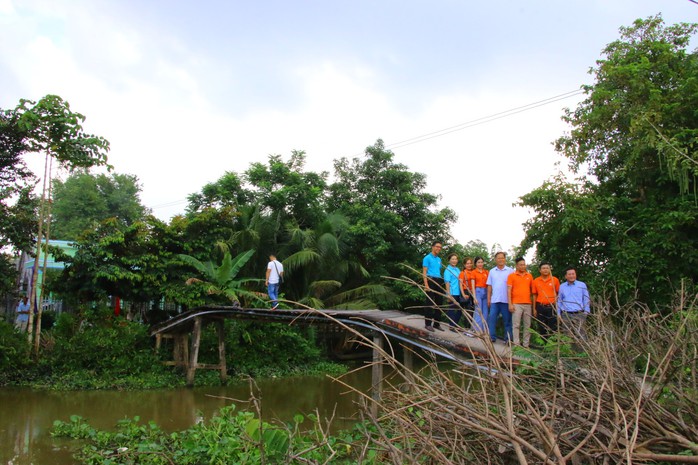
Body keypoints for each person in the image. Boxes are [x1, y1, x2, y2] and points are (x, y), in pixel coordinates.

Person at [557, 267, 590, 346]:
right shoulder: (562, 286)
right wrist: (558, 313)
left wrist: (586, 312)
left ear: (575, 275)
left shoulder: (582, 285)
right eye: (569, 274)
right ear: (566, 276)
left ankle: (581, 354)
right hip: (566, 314)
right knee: (566, 335)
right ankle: (568, 354)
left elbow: (586, 299)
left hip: (579, 313)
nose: (571, 276)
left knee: (581, 334)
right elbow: (559, 300)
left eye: (573, 274)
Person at [486, 252, 514, 343]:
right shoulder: (492, 271)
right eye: (498, 258)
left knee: (507, 321)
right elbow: (489, 286)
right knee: (492, 319)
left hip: (506, 301)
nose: (500, 260)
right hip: (495, 300)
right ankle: (492, 337)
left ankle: (507, 339)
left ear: (505, 259)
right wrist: (489, 298)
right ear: (495, 260)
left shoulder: (510, 271)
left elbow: (514, 286)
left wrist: (512, 301)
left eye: (502, 258)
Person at [507, 257, 534, 347]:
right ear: (517, 266)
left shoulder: (529, 276)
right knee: (516, 325)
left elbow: (533, 291)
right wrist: (510, 304)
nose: (523, 266)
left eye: (524, 264)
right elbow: (509, 290)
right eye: (520, 265)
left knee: (527, 325)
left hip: (527, 304)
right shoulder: (512, 276)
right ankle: (516, 344)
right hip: (516, 303)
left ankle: (526, 344)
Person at [531, 262, 560, 341]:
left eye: (547, 268)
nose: (545, 270)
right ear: (540, 270)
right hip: (540, 306)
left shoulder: (555, 280)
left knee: (553, 327)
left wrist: (558, 307)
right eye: (543, 268)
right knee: (542, 327)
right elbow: (534, 295)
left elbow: (559, 294)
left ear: (550, 269)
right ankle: (544, 345)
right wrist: (534, 309)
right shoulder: (536, 281)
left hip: (552, 307)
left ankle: (552, 346)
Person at [422, 241, 445, 332]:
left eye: (440, 247)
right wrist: (426, 285)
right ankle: (427, 324)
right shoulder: (427, 258)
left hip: (439, 280)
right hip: (430, 280)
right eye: (437, 246)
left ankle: (436, 323)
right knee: (429, 303)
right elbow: (424, 272)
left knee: (439, 303)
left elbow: (437, 271)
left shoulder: (439, 259)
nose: (438, 248)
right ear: (432, 247)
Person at [444, 253, 463, 331]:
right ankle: (452, 326)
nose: (454, 260)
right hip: (452, 292)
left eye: (455, 259)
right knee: (451, 309)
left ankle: (454, 324)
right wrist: (448, 294)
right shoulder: (447, 270)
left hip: (459, 292)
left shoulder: (457, 269)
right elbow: (447, 282)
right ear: (449, 260)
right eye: (452, 259)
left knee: (460, 310)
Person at [471, 257, 489, 333]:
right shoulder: (474, 272)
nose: (480, 264)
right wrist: (474, 297)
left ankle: (483, 330)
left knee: (485, 312)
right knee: (478, 311)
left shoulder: (486, 272)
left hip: (486, 291)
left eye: (481, 262)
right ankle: (476, 330)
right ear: (475, 263)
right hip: (478, 291)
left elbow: (489, 284)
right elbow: (472, 285)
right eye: (478, 262)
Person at [458, 257, 476, 329]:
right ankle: (466, 327)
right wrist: (463, 294)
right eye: (467, 263)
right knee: (467, 311)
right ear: (464, 265)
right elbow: (460, 284)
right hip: (466, 292)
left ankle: (470, 327)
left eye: (470, 263)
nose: (469, 265)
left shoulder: (473, 272)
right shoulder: (463, 273)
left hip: (473, 292)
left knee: (472, 311)